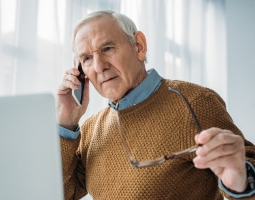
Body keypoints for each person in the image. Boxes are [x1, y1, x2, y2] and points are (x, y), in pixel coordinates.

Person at [57, 10, 255, 199]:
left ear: (139, 46)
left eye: (107, 49)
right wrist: (66, 122)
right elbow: (62, 194)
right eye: (87, 58)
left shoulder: (194, 101)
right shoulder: (91, 129)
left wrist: (240, 181)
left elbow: (243, 168)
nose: (99, 66)